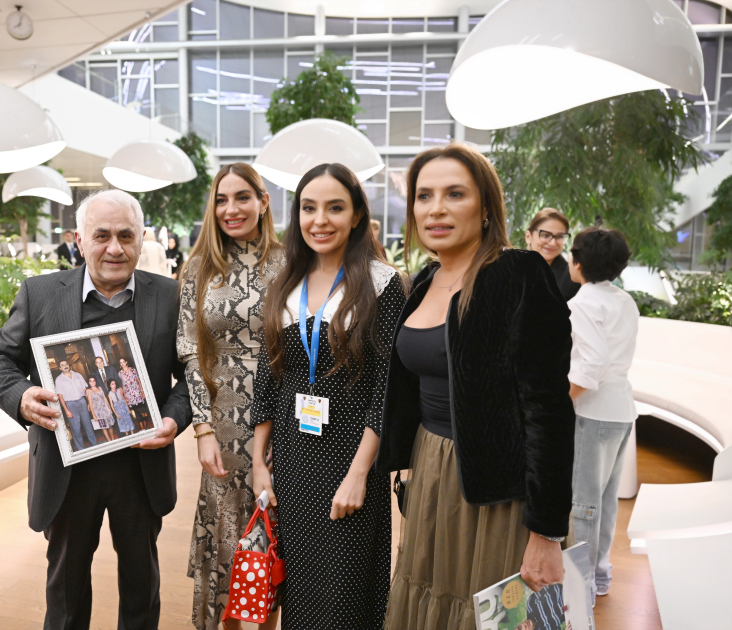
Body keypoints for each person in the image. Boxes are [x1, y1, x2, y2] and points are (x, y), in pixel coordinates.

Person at [0, 189, 193, 630]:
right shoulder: (40, 293)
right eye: (102, 235)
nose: (115, 248)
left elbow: (193, 372)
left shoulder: (170, 295)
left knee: (142, 587)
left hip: (141, 468)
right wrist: (21, 396)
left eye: (126, 236)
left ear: (141, 239)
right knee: (66, 593)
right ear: (79, 240)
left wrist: (174, 417)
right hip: (66, 470)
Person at [380, 143, 575, 630]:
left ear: (486, 207)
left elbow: (550, 411)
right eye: (424, 196)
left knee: (496, 616)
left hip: (498, 496)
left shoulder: (517, 273)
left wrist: (547, 532)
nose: (436, 209)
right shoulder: (424, 281)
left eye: (455, 194)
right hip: (432, 473)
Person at [251, 163, 406, 630]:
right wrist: (259, 462)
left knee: (344, 589)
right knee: (298, 586)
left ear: (357, 215)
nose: (319, 220)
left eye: (334, 208)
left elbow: (386, 388)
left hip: (351, 454)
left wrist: (360, 474)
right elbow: (269, 376)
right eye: (308, 208)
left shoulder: (382, 283)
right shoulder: (285, 282)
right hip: (293, 455)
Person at [177, 162, 284, 630]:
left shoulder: (290, 263)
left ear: (263, 202)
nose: (231, 208)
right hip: (220, 421)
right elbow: (189, 351)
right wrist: (202, 429)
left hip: (279, 417)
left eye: (242, 197)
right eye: (221, 199)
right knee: (224, 536)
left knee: (271, 532)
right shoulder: (198, 268)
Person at [567, 227, 639, 605]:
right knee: (606, 500)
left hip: (593, 413)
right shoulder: (623, 299)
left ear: (579, 263)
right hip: (622, 409)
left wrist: (563, 402)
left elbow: (591, 364)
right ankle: (599, 574)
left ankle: (580, 590)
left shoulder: (583, 302)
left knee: (583, 504)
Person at [525, 208, 580, 301]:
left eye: (560, 236)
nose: (553, 243)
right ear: (528, 237)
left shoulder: (573, 279)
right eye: (545, 235)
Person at [54, 360, 95, 451]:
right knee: (76, 428)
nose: (65, 366)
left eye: (66, 364)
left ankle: (94, 445)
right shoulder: (59, 379)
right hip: (70, 404)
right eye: (62, 365)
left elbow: (85, 390)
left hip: (82, 402)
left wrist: (88, 402)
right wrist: (66, 410)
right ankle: (81, 449)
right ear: (60, 368)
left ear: (69, 365)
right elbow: (60, 396)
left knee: (88, 424)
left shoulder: (78, 375)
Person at [118, 357, 150, 431]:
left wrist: (142, 392)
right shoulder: (120, 373)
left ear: (126, 362)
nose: (122, 364)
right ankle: (142, 427)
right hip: (129, 396)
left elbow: (138, 381)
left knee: (142, 410)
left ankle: (145, 426)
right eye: (121, 362)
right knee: (136, 411)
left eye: (123, 362)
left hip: (137, 393)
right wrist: (124, 396)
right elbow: (122, 385)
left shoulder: (132, 370)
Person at [86, 376, 117, 443]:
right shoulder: (88, 391)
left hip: (105, 409)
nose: (92, 382)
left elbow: (105, 398)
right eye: (90, 381)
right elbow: (90, 403)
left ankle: (113, 439)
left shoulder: (100, 388)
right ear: (88, 382)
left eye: (94, 380)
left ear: (95, 381)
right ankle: (109, 441)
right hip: (98, 411)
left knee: (110, 425)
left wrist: (109, 408)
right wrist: (93, 415)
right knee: (103, 427)